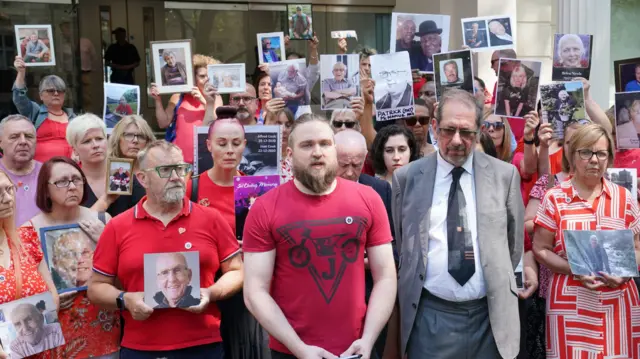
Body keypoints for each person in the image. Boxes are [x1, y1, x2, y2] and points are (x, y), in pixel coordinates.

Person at [243, 115, 397, 359]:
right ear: (290, 154)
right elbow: (255, 292)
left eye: (325, 143)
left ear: (334, 149)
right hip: (291, 351)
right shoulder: (264, 208)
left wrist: (368, 341)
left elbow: (386, 276)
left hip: (358, 349)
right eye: (307, 145)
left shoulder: (369, 199)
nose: (317, 152)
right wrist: (300, 349)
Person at [388, 89, 523, 358]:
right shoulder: (407, 178)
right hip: (429, 316)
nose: (457, 140)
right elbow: (404, 244)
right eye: (449, 130)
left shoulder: (504, 175)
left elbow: (513, 243)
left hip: (491, 316)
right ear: (435, 127)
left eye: (467, 132)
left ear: (479, 130)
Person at [89, 140, 243, 358]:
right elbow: (96, 287)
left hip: (203, 343)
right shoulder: (118, 226)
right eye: (165, 170)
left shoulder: (211, 218)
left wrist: (211, 293)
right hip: (140, 347)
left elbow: (237, 270)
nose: (176, 177)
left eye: (181, 168)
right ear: (142, 178)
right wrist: (125, 299)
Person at [533, 123, 640, 358]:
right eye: (586, 152)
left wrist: (625, 273)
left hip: (619, 305)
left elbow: (637, 248)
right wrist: (574, 269)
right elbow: (540, 249)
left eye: (601, 153)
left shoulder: (624, 198)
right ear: (572, 155)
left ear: (609, 157)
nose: (594, 160)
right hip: (570, 304)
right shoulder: (555, 198)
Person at [25, 156, 121, 358]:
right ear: (46, 188)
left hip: (103, 327)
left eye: (77, 179)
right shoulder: (28, 230)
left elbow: (125, 276)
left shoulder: (103, 221)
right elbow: (21, 289)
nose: (72, 186)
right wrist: (50, 299)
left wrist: (106, 241)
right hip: (54, 334)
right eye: (62, 181)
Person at [0, 169, 59, 359]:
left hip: (43, 350)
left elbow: (52, 296)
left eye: (9, 189)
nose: (8, 198)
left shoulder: (26, 237)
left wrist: (40, 335)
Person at [152, 54, 221, 165]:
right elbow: (163, 123)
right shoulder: (178, 95)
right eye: (202, 76)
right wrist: (157, 100)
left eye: (209, 76)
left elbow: (217, 124)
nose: (206, 80)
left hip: (205, 157)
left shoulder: (216, 97)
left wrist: (204, 101)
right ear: (193, 78)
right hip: (179, 160)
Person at [12, 57, 75, 162]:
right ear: (41, 95)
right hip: (41, 170)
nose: (56, 93)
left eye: (60, 90)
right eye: (51, 90)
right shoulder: (35, 112)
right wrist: (21, 72)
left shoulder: (73, 117)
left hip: (70, 169)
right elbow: (19, 98)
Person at [89, 115, 154, 215]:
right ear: (118, 138)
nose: (135, 140)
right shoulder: (103, 169)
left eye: (141, 136)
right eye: (129, 135)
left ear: (148, 141)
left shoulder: (154, 171)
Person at [0, 115, 41, 227]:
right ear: (0, 142)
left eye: (29, 136)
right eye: (14, 137)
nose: (23, 141)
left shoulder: (49, 173)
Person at [59, 21, 98, 112]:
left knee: (86, 97)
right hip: (69, 74)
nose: (64, 33)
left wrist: (91, 71)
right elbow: (61, 61)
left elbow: (94, 57)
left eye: (65, 30)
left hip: (84, 73)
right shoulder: (62, 45)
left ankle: (88, 115)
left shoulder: (85, 42)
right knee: (70, 97)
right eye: (62, 31)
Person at [264, 108, 294, 183]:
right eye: (278, 124)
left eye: (288, 125)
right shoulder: (258, 159)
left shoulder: (299, 158)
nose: (283, 130)